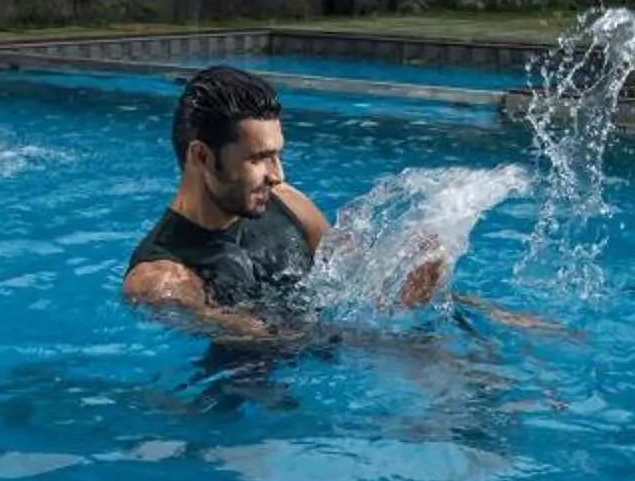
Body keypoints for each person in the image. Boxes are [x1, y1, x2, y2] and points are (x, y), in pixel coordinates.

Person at [124, 66, 443, 340]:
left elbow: (354, 276)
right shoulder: (161, 279)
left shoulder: (288, 203)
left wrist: (406, 282)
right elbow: (265, 340)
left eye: (277, 154)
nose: (277, 175)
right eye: (259, 158)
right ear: (202, 156)